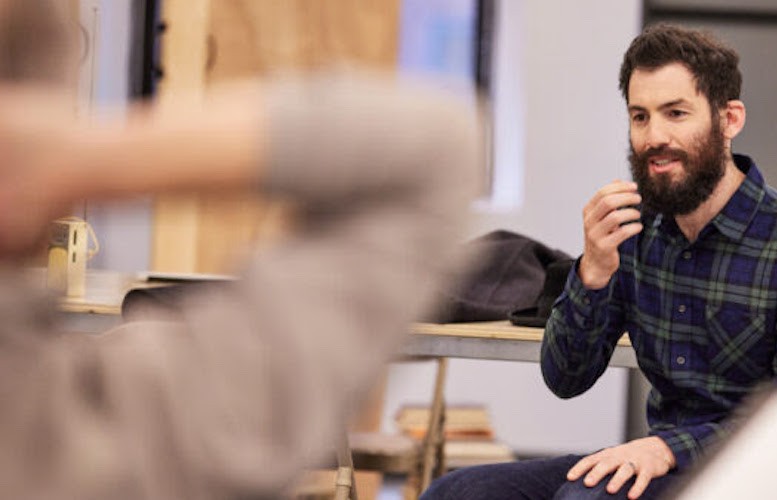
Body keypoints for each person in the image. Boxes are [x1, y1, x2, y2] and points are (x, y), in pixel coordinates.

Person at [0, 46, 480, 500]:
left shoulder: (96, 425)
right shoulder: (119, 436)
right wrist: (77, 159)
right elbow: (557, 366)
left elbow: (559, 379)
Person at [423, 23, 777, 500]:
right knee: (457, 493)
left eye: (675, 113)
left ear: (729, 119)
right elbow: (566, 378)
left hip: (752, 479)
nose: (654, 137)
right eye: (640, 116)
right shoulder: (633, 232)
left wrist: (669, 449)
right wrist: (592, 272)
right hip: (654, 463)